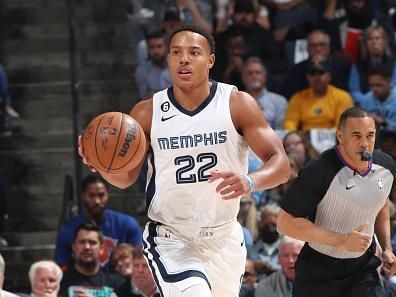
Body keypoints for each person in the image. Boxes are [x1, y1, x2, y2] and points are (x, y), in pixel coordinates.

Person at [79, 24, 290, 297]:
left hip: (224, 236)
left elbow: (281, 165)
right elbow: (126, 177)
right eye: (176, 52)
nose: (184, 59)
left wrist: (250, 181)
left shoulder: (237, 103)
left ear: (211, 60)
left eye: (194, 52)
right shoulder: (147, 112)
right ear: (168, 59)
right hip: (171, 237)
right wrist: (102, 165)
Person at [278, 107, 396, 297]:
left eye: (370, 135)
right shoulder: (318, 170)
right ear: (340, 137)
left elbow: (381, 203)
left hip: (362, 269)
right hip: (317, 272)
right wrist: (340, 240)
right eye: (356, 136)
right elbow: (285, 223)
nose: (365, 143)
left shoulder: (387, 166)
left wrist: (387, 249)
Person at [54, 174, 142, 270]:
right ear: (83, 195)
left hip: (121, 281)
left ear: (108, 194)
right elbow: (61, 268)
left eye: (101, 195)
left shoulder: (128, 224)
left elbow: (141, 260)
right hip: (82, 282)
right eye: (91, 195)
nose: (97, 201)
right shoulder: (67, 230)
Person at [283, 60, 354, 132]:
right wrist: (295, 136)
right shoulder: (297, 98)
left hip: (334, 139)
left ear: (329, 77)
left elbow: (342, 125)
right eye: (312, 74)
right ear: (307, 78)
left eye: (321, 73)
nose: (317, 78)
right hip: (305, 140)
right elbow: (290, 122)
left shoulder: (342, 97)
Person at [59, 223, 127, 297]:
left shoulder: (118, 283)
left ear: (101, 249)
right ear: (74, 247)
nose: (87, 247)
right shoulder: (59, 281)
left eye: (92, 243)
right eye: (82, 242)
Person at [242, 57, 288, 130]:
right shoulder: (235, 101)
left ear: (264, 77)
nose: (254, 76)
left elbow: (281, 131)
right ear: (243, 78)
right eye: (250, 73)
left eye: (258, 73)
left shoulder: (279, 101)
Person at [135, 31, 172, 100]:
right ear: (147, 49)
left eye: (159, 46)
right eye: (151, 47)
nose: (156, 51)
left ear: (167, 47)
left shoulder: (176, 67)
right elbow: (145, 97)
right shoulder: (142, 70)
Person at [359, 65, 396, 131]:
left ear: (389, 81)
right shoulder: (366, 100)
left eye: (378, 85)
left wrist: (383, 122)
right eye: (372, 85)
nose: (374, 89)